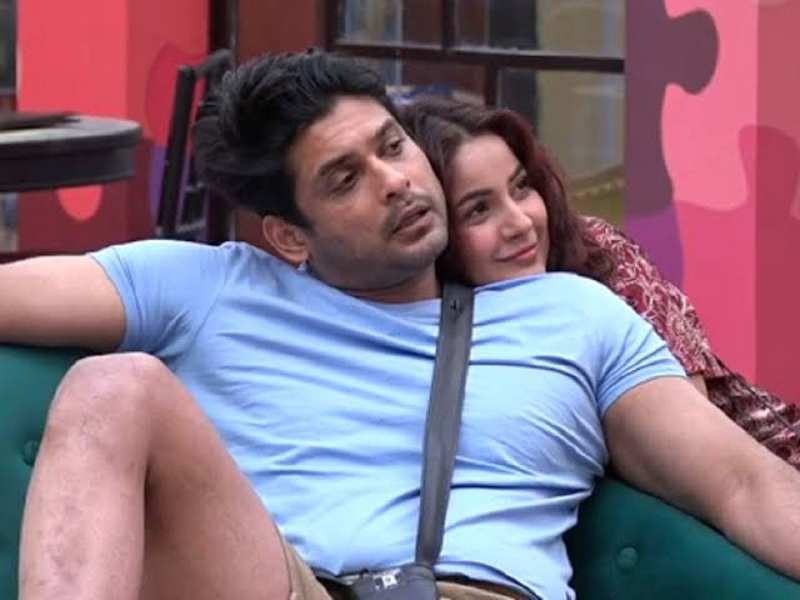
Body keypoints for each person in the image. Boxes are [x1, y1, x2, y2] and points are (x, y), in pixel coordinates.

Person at [1, 51, 799, 600]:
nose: (396, 182)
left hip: (474, 589)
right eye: (345, 178)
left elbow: (744, 484)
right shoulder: (205, 288)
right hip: (282, 582)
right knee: (114, 386)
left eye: (393, 146)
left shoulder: (572, 314)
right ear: (289, 236)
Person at [401, 96, 800, 468]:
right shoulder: (427, 323)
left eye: (521, 188)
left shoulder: (598, 251)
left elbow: (689, 433)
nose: (520, 223)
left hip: (763, 463)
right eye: (479, 210)